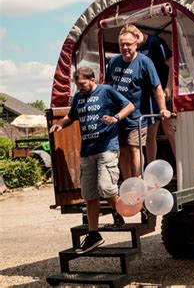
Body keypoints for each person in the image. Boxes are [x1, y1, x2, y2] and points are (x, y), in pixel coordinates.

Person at [50, 67, 134, 254]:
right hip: (87, 151)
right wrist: (59, 125)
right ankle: (94, 234)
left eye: (82, 84)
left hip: (107, 148)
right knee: (89, 195)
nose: (79, 88)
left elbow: (129, 106)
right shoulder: (79, 98)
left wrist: (115, 118)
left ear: (92, 79)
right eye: (77, 85)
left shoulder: (106, 91)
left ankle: (120, 209)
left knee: (106, 187)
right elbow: (71, 117)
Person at [105, 24, 171, 180]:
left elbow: (157, 87)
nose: (125, 47)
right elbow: (107, 86)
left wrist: (163, 108)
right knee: (123, 150)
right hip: (118, 115)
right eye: (122, 44)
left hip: (137, 115)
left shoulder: (145, 62)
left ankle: (137, 183)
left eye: (128, 44)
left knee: (135, 149)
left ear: (136, 44)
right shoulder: (113, 62)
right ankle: (127, 183)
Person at [135, 27, 176, 161]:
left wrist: (169, 86)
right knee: (149, 135)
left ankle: (180, 165)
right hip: (148, 97)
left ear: (138, 34)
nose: (133, 46)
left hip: (163, 93)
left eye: (134, 43)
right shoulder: (136, 49)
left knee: (169, 131)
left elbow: (172, 63)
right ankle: (150, 168)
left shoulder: (156, 42)